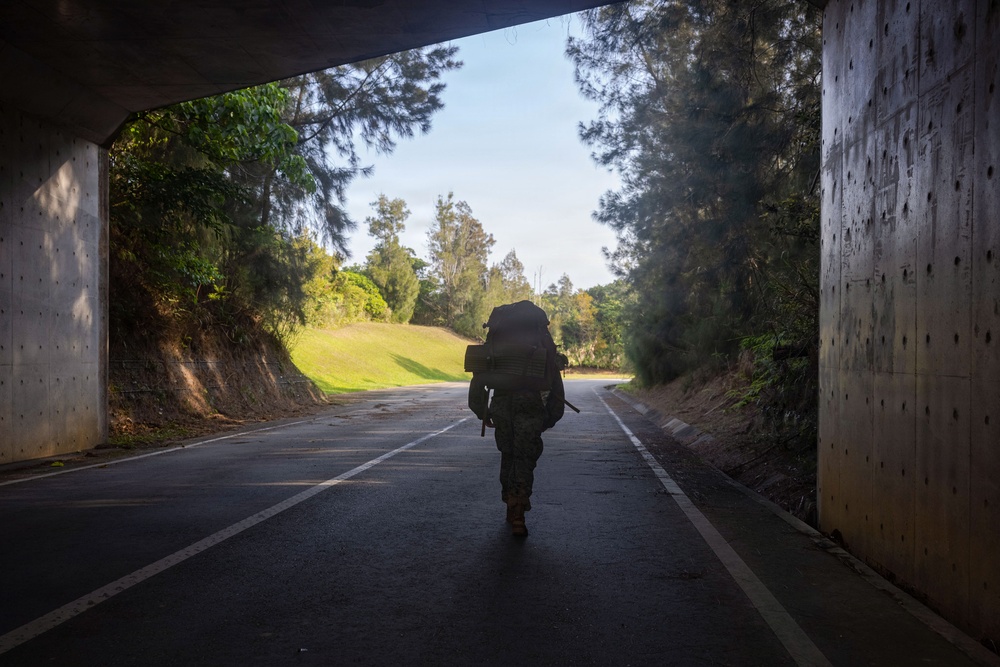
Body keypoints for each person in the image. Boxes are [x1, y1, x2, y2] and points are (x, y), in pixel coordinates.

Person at [468, 302, 565, 537]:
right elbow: (556, 391)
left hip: (501, 406)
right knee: (525, 458)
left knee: (508, 455)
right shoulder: (544, 349)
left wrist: (483, 412)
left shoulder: (494, 348)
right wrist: (547, 419)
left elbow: (478, 383)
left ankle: (510, 503)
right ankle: (519, 510)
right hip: (530, 407)